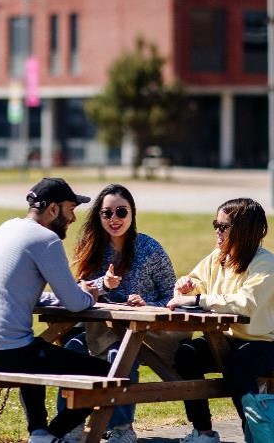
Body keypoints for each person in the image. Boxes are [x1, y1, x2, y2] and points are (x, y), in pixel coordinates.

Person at [0, 177, 111, 443]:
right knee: (104, 375)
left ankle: (39, 432)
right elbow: (76, 303)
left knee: (35, 350)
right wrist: (90, 293)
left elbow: (19, 289)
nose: (73, 218)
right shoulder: (46, 239)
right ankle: (51, 435)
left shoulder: (6, 227)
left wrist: (62, 297)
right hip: (7, 352)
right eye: (71, 209)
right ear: (53, 210)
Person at [167, 197, 274, 443]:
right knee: (185, 354)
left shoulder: (265, 262)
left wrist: (197, 300)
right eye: (215, 224)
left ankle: (258, 435)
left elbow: (245, 303)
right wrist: (186, 284)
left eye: (223, 226)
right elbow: (197, 281)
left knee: (239, 369)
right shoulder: (218, 256)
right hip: (230, 339)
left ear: (244, 230)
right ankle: (204, 432)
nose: (217, 231)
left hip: (272, 341)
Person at [58, 183, 176, 443]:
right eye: (107, 213)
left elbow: (172, 296)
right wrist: (102, 284)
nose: (114, 219)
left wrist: (147, 304)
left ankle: (122, 429)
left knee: (118, 355)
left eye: (121, 212)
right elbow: (78, 291)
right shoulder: (90, 247)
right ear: (98, 216)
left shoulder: (150, 249)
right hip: (96, 329)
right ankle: (70, 425)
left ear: (132, 214)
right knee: (71, 349)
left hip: (141, 332)